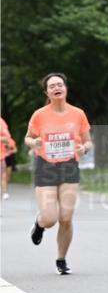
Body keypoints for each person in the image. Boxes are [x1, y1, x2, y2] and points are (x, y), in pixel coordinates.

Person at [24, 73, 92, 274]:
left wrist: (84, 149)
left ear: (65, 88)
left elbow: (88, 141)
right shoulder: (39, 115)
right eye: (52, 86)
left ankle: (61, 259)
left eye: (59, 84)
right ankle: (39, 224)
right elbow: (28, 138)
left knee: (66, 217)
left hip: (69, 165)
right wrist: (34, 142)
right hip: (46, 166)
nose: (56, 88)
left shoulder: (78, 114)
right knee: (50, 218)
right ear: (47, 92)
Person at [1, 118, 16, 199]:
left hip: (6, 158)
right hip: (4, 157)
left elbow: (14, 149)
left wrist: (10, 151)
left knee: (5, 176)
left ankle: (5, 192)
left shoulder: (1, 122)